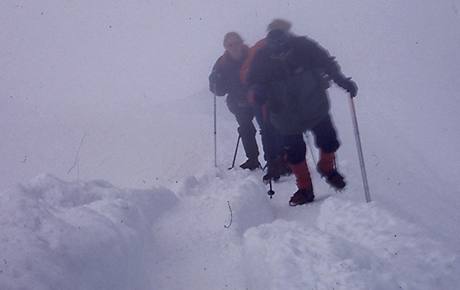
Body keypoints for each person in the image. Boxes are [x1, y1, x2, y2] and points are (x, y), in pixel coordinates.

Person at [246, 20, 358, 206]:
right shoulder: (261, 57)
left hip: (313, 105)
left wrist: (342, 81)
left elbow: (326, 63)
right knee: (295, 153)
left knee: (329, 140)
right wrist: (258, 92)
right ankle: (305, 188)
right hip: (284, 114)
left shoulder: (304, 46)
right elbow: (253, 82)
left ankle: (326, 167)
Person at [209, 32, 261, 170]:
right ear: (226, 47)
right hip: (239, 101)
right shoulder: (222, 63)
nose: (234, 47)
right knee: (246, 129)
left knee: (268, 128)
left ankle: (276, 159)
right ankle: (253, 159)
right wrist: (215, 81)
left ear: (241, 42)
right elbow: (219, 91)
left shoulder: (253, 55)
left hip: (259, 97)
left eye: (236, 43)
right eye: (230, 45)